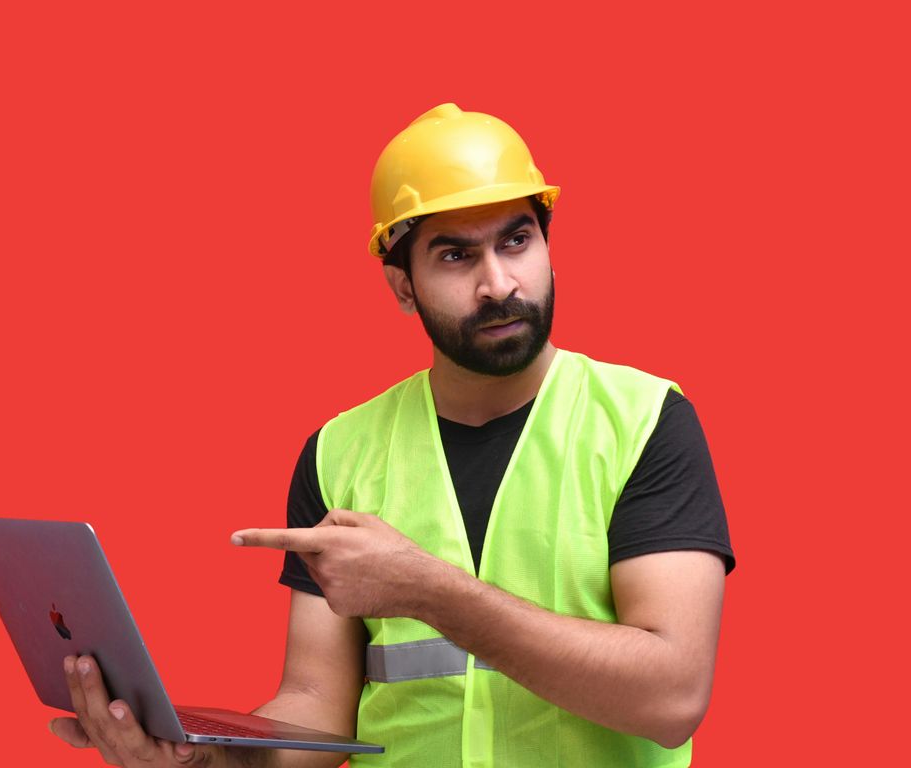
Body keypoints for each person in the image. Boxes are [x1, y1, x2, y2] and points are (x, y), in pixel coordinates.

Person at [49, 103, 735, 767]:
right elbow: (318, 703)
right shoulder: (339, 452)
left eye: (516, 241)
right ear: (402, 286)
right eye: (456, 256)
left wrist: (427, 590)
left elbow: (672, 695)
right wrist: (208, 762)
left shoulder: (644, 422)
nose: (498, 283)